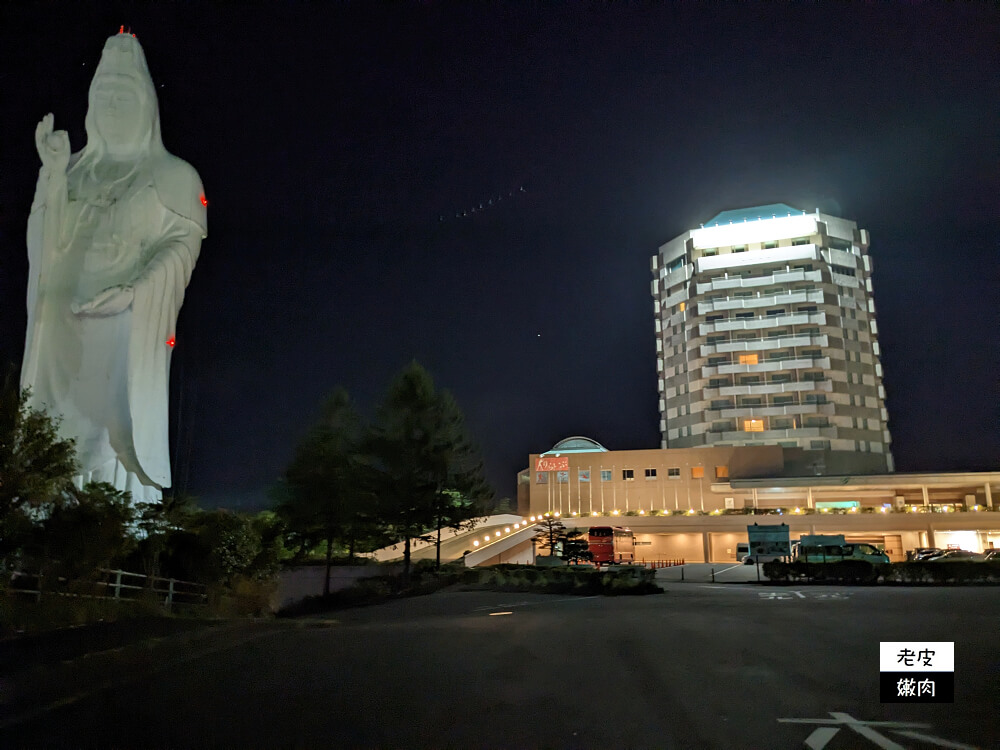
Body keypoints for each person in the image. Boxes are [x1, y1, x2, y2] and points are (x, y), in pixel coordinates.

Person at [22, 30, 207, 503]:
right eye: (102, 96)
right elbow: (48, 246)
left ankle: (113, 519)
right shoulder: (74, 168)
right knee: (50, 432)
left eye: (124, 97)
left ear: (147, 105)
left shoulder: (175, 176)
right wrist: (54, 176)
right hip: (62, 327)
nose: (112, 107)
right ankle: (45, 516)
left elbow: (182, 245)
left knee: (110, 424)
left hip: (123, 322)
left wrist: (137, 289)